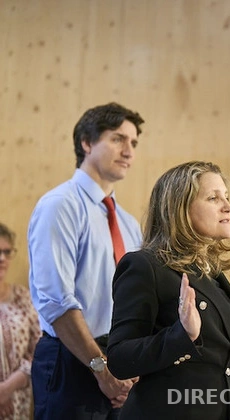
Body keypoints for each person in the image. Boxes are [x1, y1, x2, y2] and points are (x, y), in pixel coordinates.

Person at [107, 160, 230, 420]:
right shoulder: (146, 266)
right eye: (213, 198)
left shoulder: (211, 274)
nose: (228, 206)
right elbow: (120, 359)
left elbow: (222, 368)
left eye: (226, 197)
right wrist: (181, 335)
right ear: (180, 208)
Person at [28, 102, 145, 419]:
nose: (129, 151)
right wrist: (100, 368)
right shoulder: (59, 205)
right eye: (118, 138)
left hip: (119, 366)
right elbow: (55, 302)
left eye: (133, 143)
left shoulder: (128, 224)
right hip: (72, 359)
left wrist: (131, 367)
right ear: (87, 142)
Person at [0, 222, 41, 419]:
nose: (2, 259)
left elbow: (39, 350)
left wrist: (7, 389)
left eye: (7, 252)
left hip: (18, 404)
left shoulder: (23, 298)